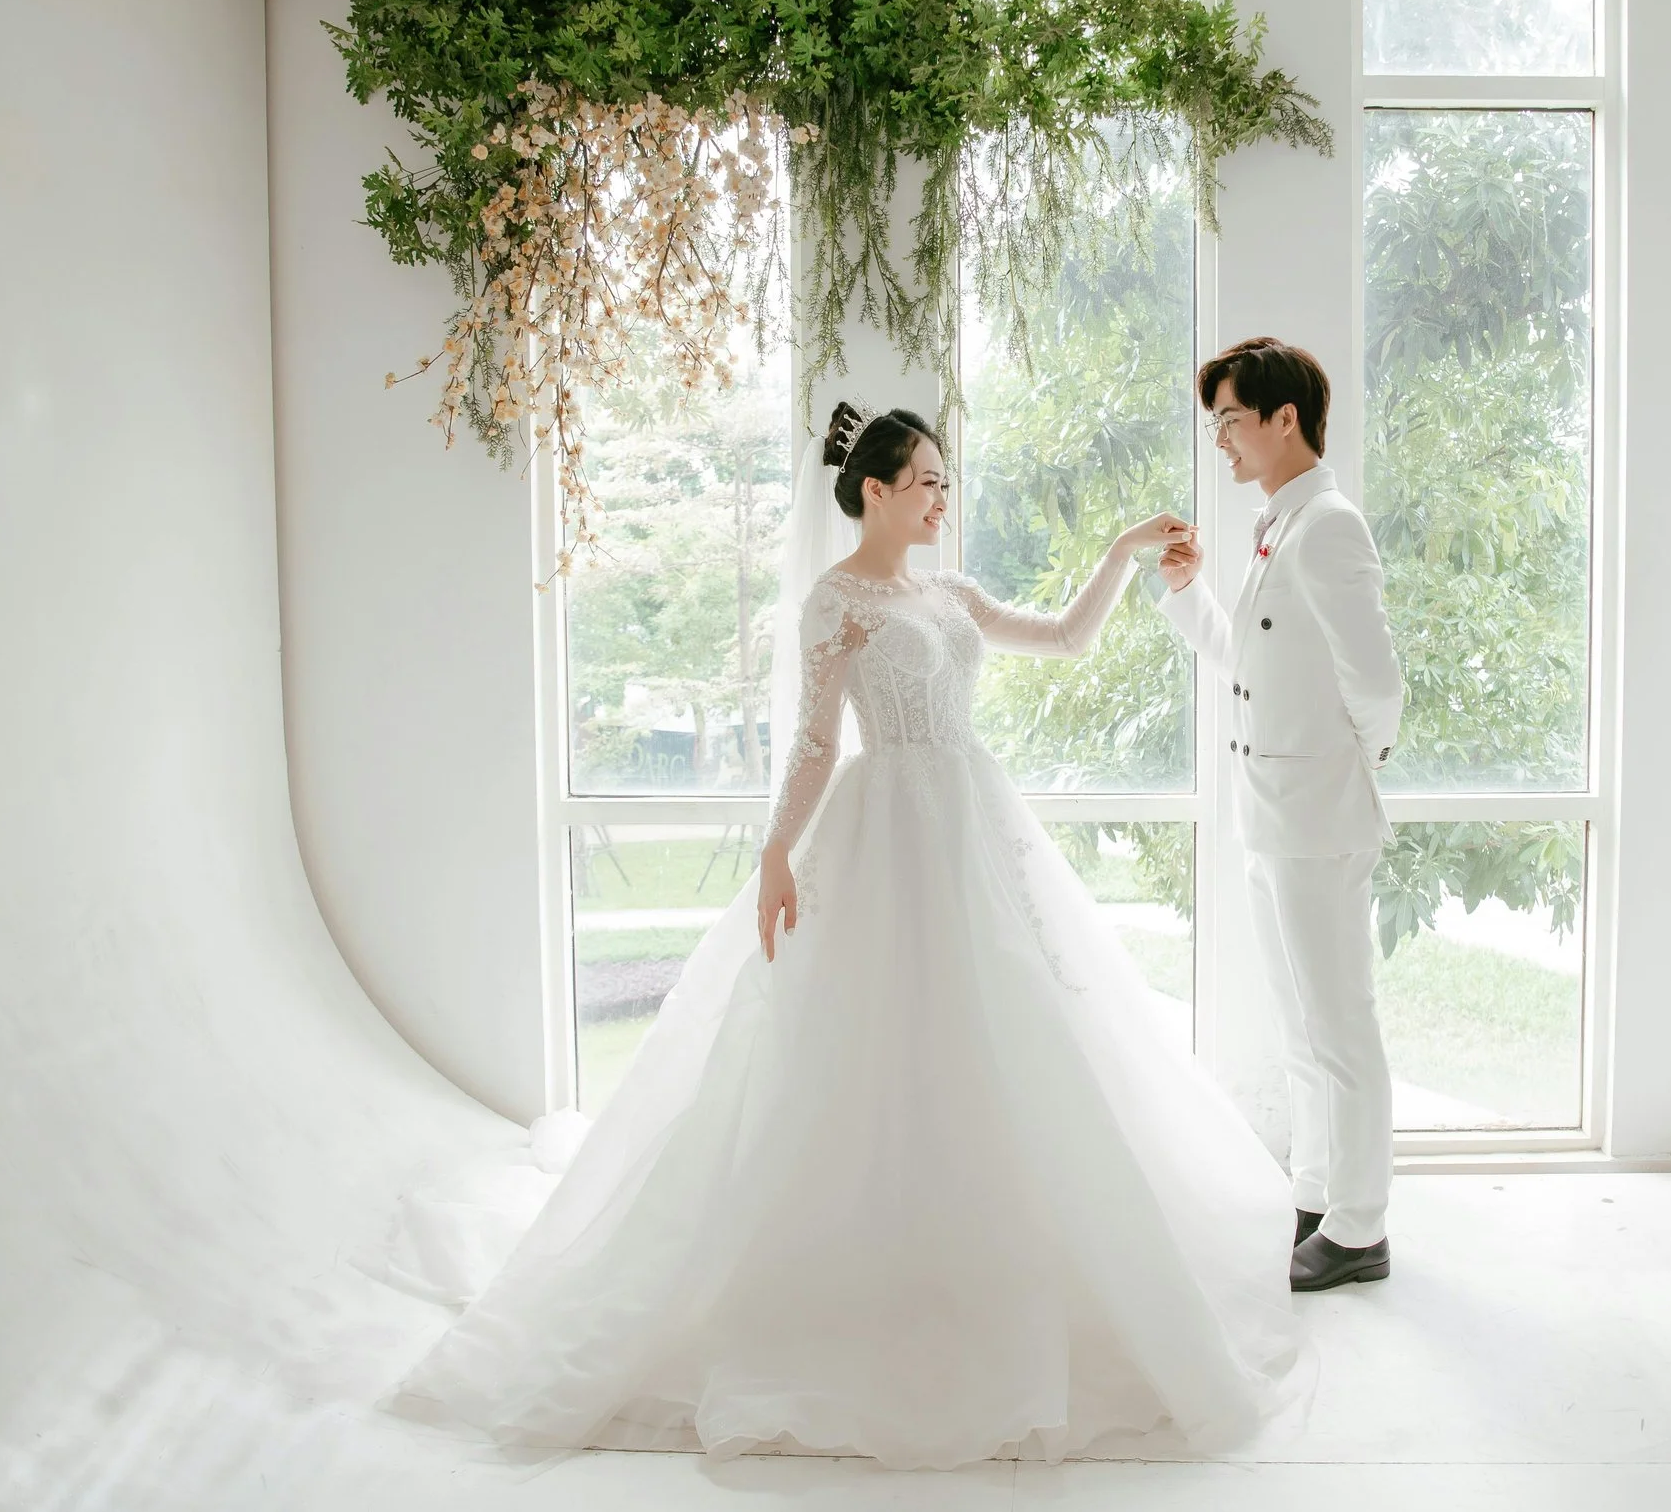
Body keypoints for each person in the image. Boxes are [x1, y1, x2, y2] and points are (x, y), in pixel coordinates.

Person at [384, 401, 1300, 1469]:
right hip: (886, 835)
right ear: (872, 489)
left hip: (971, 823)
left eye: (944, 482)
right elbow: (816, 740)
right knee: (864, 1054)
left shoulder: (946, 591)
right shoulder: (836, 604)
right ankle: (857, 1280)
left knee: (1011, 1042)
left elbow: (1064, 635)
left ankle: (985, 1265)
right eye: (923, 482)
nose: (939, 500)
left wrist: (1119, 554)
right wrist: (776, 851)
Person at [1153, 337, 1406, 1294]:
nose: (1219, 439)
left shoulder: (1330, 525)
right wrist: (1187, 593)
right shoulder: (1275, 527)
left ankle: (1362, 1224)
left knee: (1342, 1024)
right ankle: (1316, 1190)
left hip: (1319, 815)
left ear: (1281, 418)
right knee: (1301, 1025)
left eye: (1228, 418)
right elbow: (1249, 663)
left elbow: (1376, 686)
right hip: (1269, 817)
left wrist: (1349, 765)